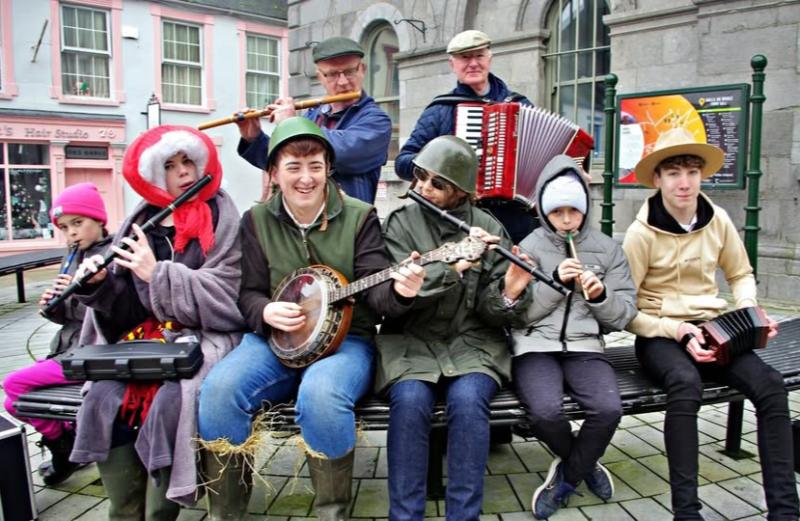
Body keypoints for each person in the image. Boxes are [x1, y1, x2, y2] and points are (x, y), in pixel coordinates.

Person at [197, 117, 424, 521]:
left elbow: (376, 291)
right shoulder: (256, 221)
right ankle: (225, 514)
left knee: (320, 396)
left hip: (347, 342)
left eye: (315, 166)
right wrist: (264, 311)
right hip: (273, 341)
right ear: (273, 173)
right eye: (293, 167)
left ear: (328, 169)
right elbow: (247, 293)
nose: (306, 178)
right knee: (219, 392)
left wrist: (401, 292)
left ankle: (331, 513)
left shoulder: (360, 216)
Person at [622, 128, 800, 520]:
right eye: (673, 172)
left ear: (702, 175)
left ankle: (785, 512)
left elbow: (740, 273)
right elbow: (627, 310)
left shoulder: (717, 218)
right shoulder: (639, 233)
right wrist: (676, 330)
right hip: (660, 334)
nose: (683, 182)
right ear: (657, 179)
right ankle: (687, 513)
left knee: (770, 386)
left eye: (691, 171)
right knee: (685, 385)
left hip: (713, 328)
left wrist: (750, 311)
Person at [68, 125, 245, 519]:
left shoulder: (222, 215)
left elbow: (228, 299)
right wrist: (101, 287)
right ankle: (124, 511)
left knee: (172, 401)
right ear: (154, 175)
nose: (183, 171)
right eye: (170, 165)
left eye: (188, 161)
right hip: (142, 341)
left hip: (202, 338)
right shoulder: (142, 221)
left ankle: (159, 513)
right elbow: (127, 310)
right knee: (101, 397)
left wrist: (158, 274)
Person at [376, 135, 532, 521]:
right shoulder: (399, 223)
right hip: (411, 341)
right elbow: (397, 295)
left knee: (468, 401)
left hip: (473, 343)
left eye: (437, 183)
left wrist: (510, 290)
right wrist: (455, 267)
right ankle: (405, 516)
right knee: (409, 403)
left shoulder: (487, 226)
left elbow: (493, 313)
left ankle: (464, 516)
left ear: (461, 192)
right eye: (420, 177)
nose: (424, 188)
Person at [503, 156, 638, 519]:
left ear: (586, 208)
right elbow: (518, 314)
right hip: (534, 345)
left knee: (608, 409)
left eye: (573, 211)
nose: (566, 220)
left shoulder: (608, 249)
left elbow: (624, 315)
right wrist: (557, 284)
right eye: (557, 211)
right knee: (544, 412)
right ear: (545, 210)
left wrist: (599, 297)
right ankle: (586, 465)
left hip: (585, 345)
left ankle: (566, 478)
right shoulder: (528, 247)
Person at [2, 183, 112, 486]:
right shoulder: (74, 256)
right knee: (14, 404)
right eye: (65, 227)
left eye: (78, 223)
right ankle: (71, 443)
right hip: (69, 349)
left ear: (99, 220)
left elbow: (109, 313)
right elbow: (69, 317)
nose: (71, 233)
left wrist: (81, 294)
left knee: (12, 384)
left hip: (94, 352)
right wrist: (53, 306)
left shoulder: (109, 256)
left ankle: (65, 448)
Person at [394, 30, 535, 243]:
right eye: (465, 57)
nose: (473, 63)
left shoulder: (520, 105)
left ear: (490, 59)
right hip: (462, 221)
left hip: (515, 218)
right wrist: (443, 168)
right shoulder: (440, 110)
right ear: (452, 64)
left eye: (479, 56)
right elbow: (402, 163)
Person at [237, 36, 392, 204]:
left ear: (362, 69)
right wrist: (254, 138)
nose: (343, 82)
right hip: (302, 218)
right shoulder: (312, 115)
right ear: (320, 77)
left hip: (347, 224)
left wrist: (291, 125)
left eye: (349, 71)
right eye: (332, 74)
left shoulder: (376, 121)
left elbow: (341, 153)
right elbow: (285, 161)